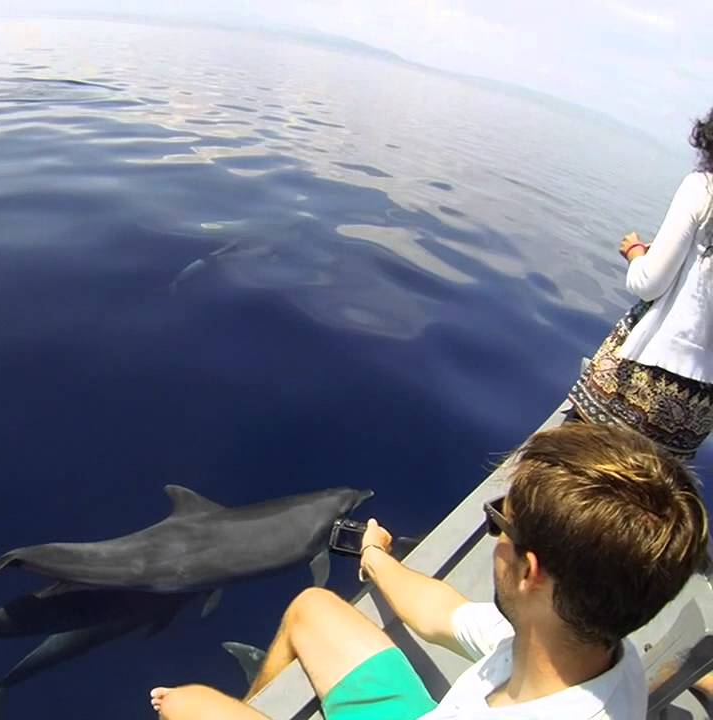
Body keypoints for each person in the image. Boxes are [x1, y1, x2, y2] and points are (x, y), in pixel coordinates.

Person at [149, 423, 708, 719]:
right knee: (315, 607)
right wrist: (376, 560)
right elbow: (446, 614)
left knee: (186, 703)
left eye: (498, 525)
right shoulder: (581, 646)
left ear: (529, 571)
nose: (494, 535)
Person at [568, 107, 713, 460]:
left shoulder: (703, 187)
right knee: (640, 499)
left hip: (644, 377)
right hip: (698, 403)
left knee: (569, 473)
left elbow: (648, 282)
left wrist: (635, 252)